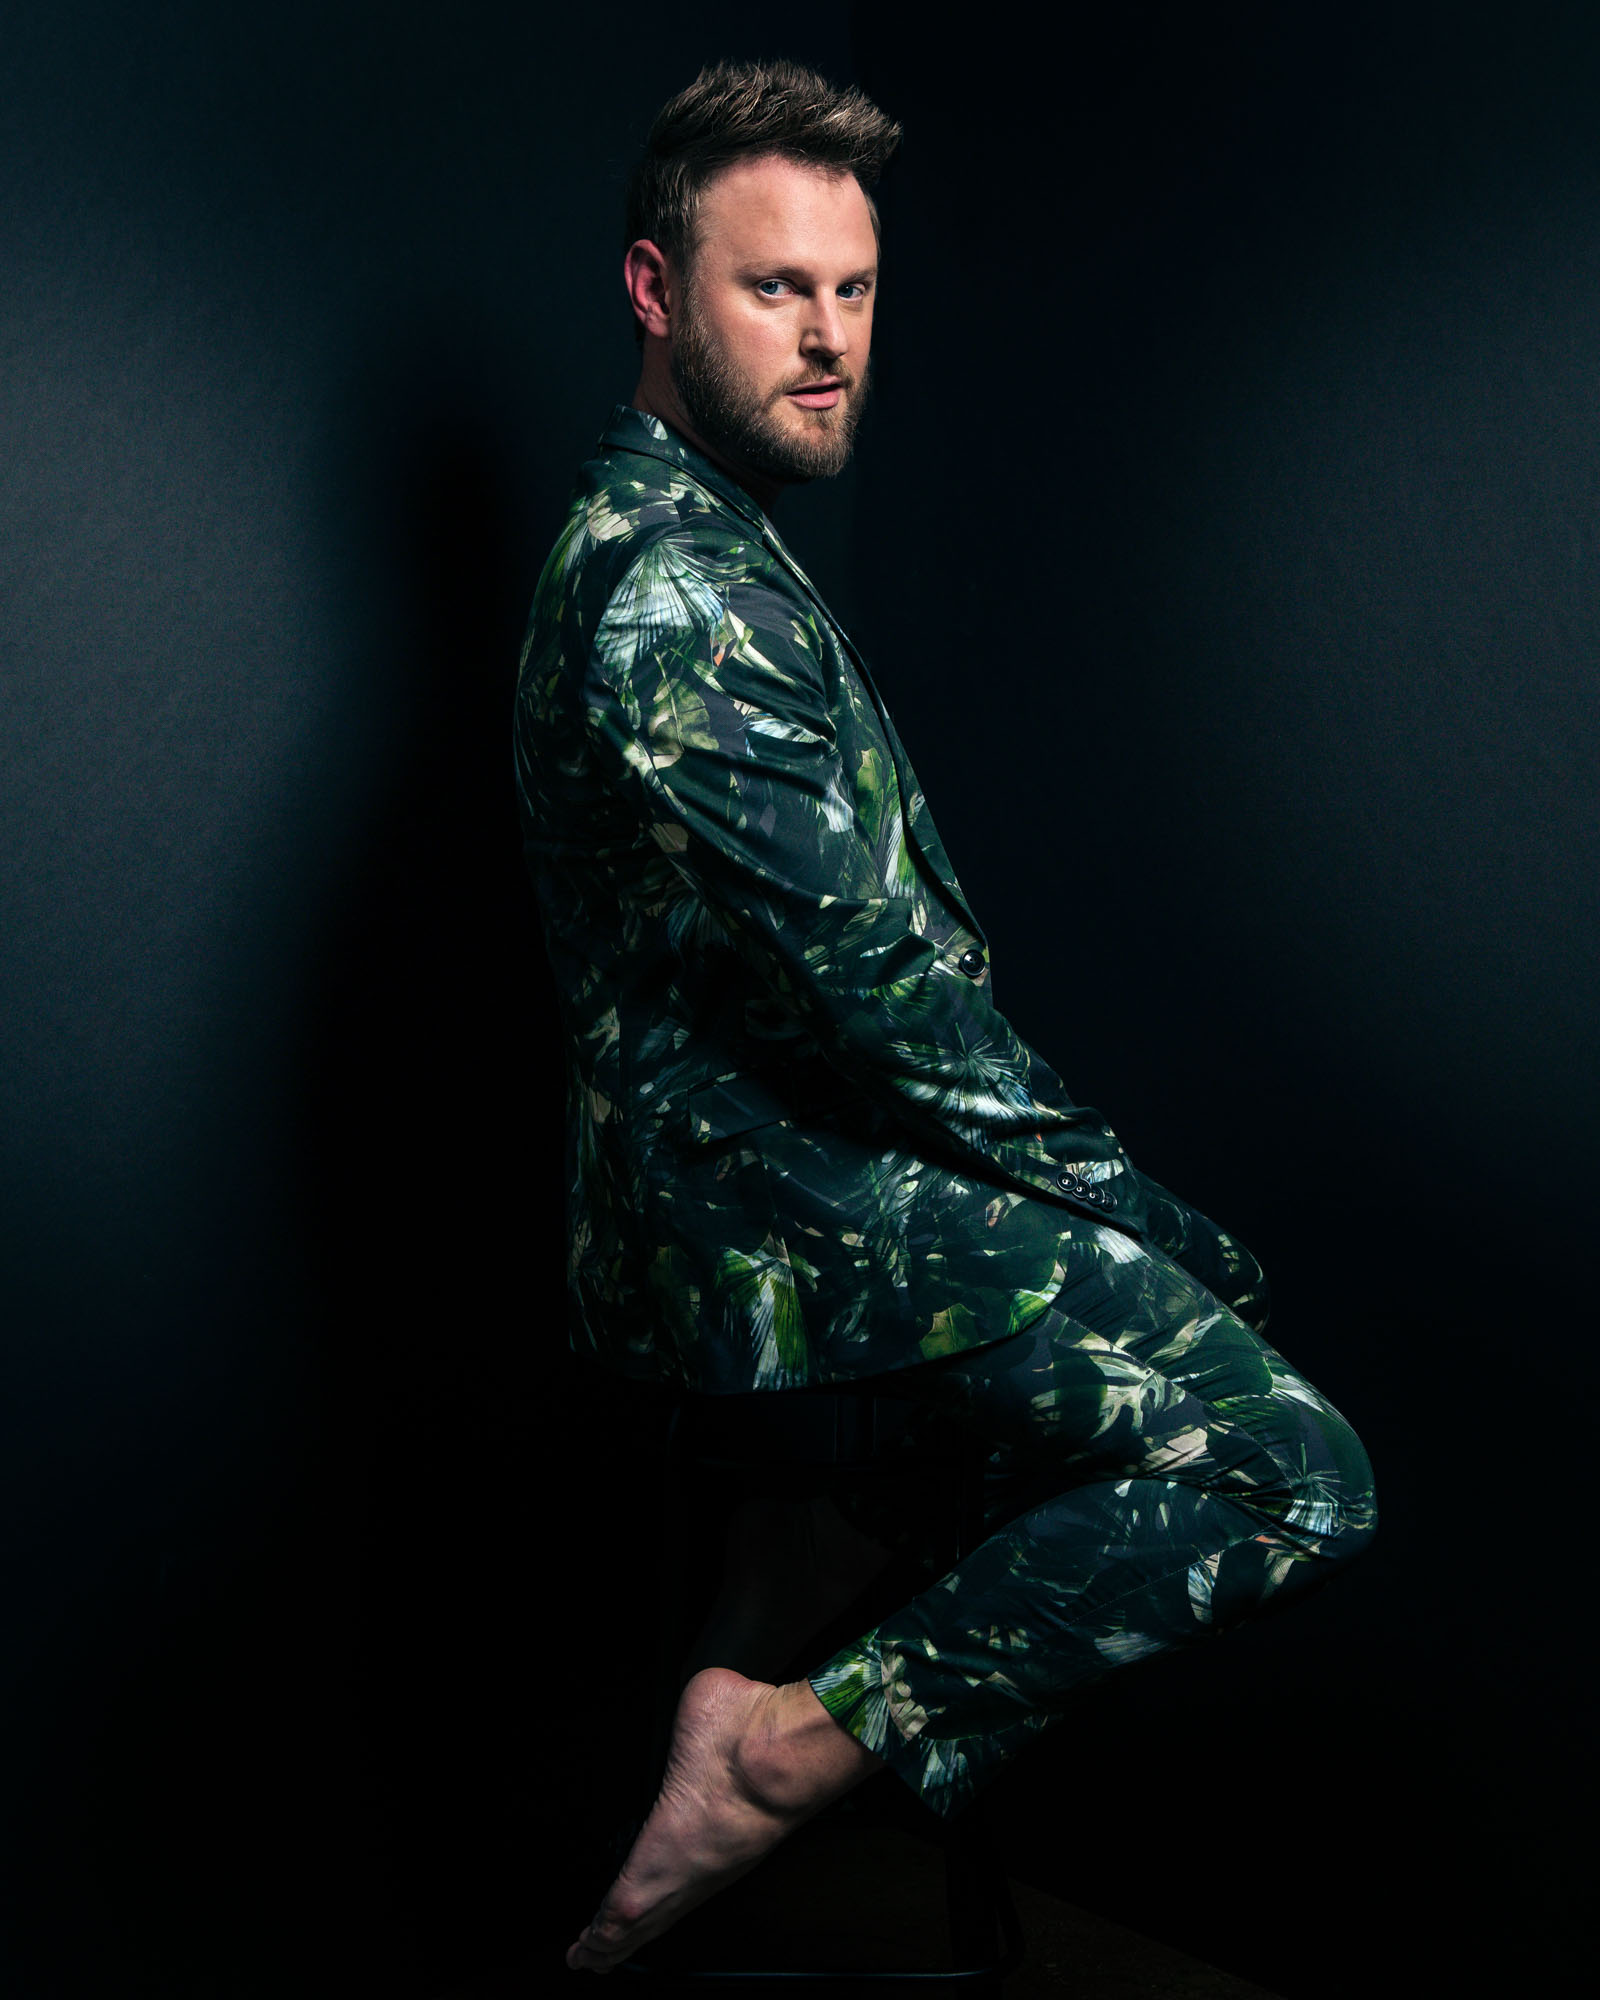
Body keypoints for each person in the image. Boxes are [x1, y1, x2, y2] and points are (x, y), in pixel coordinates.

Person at [514, 58, 1377, 1976]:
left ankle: (820, 1678)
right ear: (656, 294)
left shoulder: (718, 549)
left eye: (853, 290)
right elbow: (890, 1012)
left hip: (810, 1189)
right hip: (762, 1241)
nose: (827, 342)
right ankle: (774, 1752)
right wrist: (1148, 1215)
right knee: (1287, 1464)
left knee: (1159, 1386)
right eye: (772, 291)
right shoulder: (672, 596)